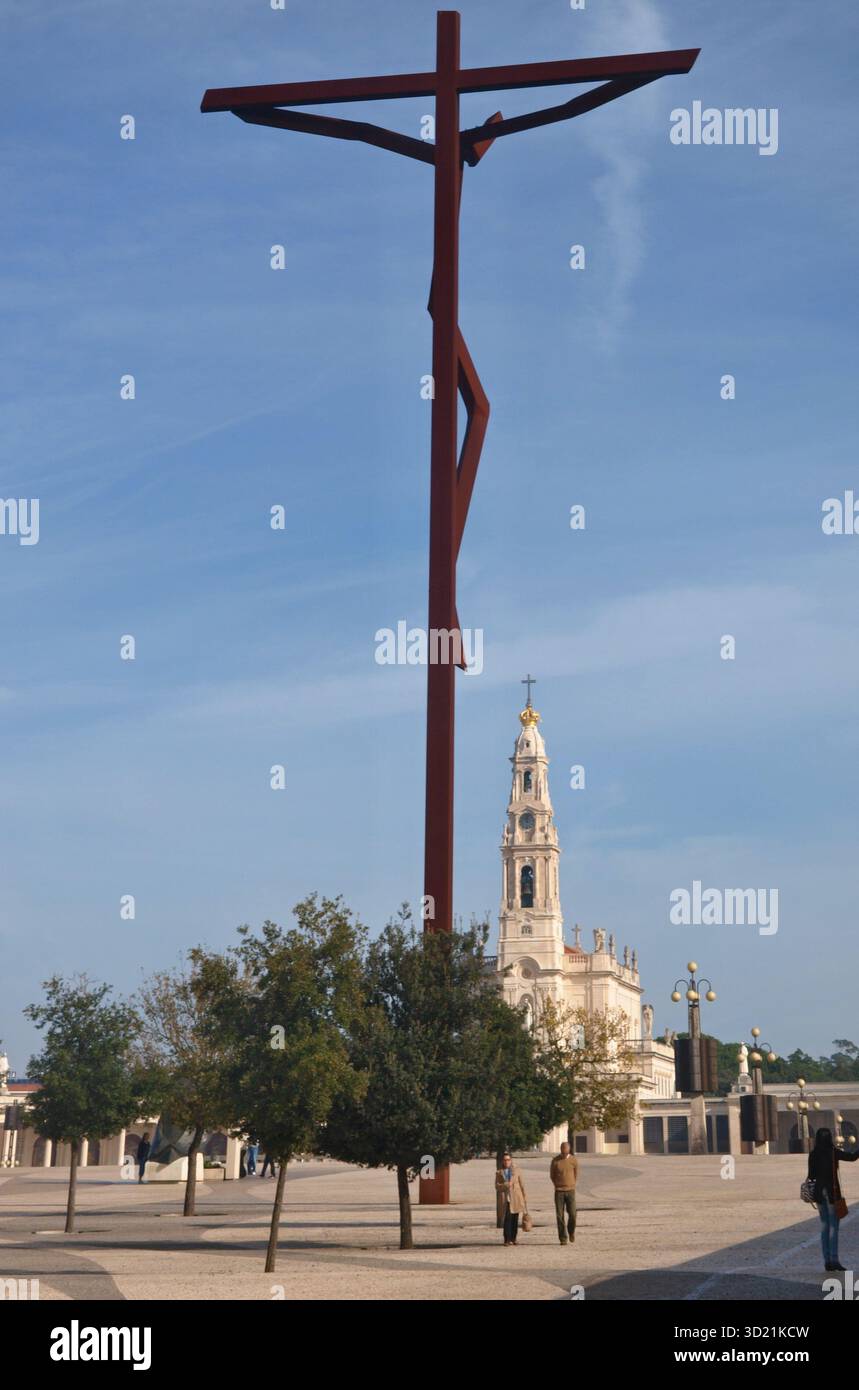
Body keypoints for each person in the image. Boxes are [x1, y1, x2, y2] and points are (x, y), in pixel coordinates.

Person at [807, 1127, 859, 1271]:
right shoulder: (833, 1152)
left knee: (824, 1226)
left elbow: (811, 1175)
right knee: (833, 1227)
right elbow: (852, 1157)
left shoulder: (813, 1154)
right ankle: (834, 1260)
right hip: (831, 1193)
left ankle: (827, 1261)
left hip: (818, 1193)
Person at [495, 1151, 528, 1246]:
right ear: (502, 1161)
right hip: (506, 1199)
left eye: (508, 1160)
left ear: (511, 1160)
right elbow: (497, 1186)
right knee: (507, 1219)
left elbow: (522, 1184)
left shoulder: (516, 1170)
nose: (506, 1162)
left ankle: (514, 1238)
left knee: (515, 1219)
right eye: (505, 1160)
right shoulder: (499, 1172)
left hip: (516, 1198)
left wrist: (525, 1197)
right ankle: (506, 1239)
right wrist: (506, 1185)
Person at [550, 1139, 578, 1245]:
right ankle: (563, 1238)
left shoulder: (573, 1160)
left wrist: (572, 1184)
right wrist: (557, 1184)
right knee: (559, 1215)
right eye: (562, 1148)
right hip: (559, 1191)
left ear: (569, 1149)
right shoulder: (555, 1160)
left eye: (565, 1148)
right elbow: (552, 1175)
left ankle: (571, 1232)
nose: (563, 1150)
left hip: (570, 1190)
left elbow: (576, 1174)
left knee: (573, 1214)